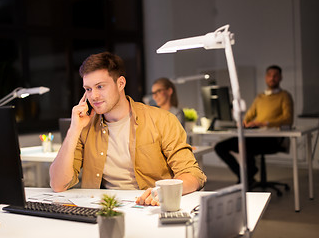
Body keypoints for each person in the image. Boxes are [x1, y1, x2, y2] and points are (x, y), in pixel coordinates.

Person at [49, 52, 207, 206]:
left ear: (120, 84)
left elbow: (193, 175)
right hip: (104, 209)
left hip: (150, 207)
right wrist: (74, 129)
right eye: (88, 89)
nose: (94, 96)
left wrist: (165, 191)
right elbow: (58, 184)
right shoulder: (85, 126)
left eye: (100, 86)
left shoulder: (162, 120)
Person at [214, 65, 293, 185]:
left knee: (246, 144)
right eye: (269, 75)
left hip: (272, 139)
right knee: (220, 147)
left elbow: (288, 119)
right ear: (266, 78)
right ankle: (246, 176)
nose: (272, 78)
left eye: (275, 75)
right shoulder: (260, 97)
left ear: (280, 77)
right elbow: (249, 115)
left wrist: (265, 123)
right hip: (256, 135)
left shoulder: (284, 96)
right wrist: (244, 122)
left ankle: (248, 175)